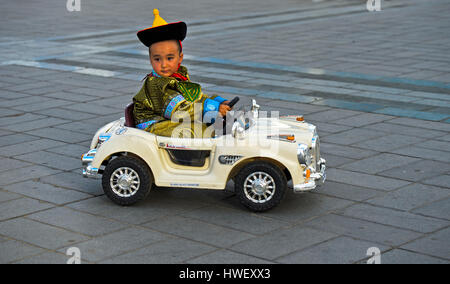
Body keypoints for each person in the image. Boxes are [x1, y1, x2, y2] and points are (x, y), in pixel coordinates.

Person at [132, 9, 231, 138]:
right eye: (157, 59)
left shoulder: (179, 74)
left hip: (168, 119)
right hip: (155, 123)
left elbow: (193, 98)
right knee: (199, 130)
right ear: (150, 60)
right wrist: (212, 108)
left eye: (169, 58)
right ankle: (199, 156)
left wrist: (216, 102)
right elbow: (179, 111)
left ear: (180, 57)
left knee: (208, 123)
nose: (164, 64)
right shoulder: (156, 84)